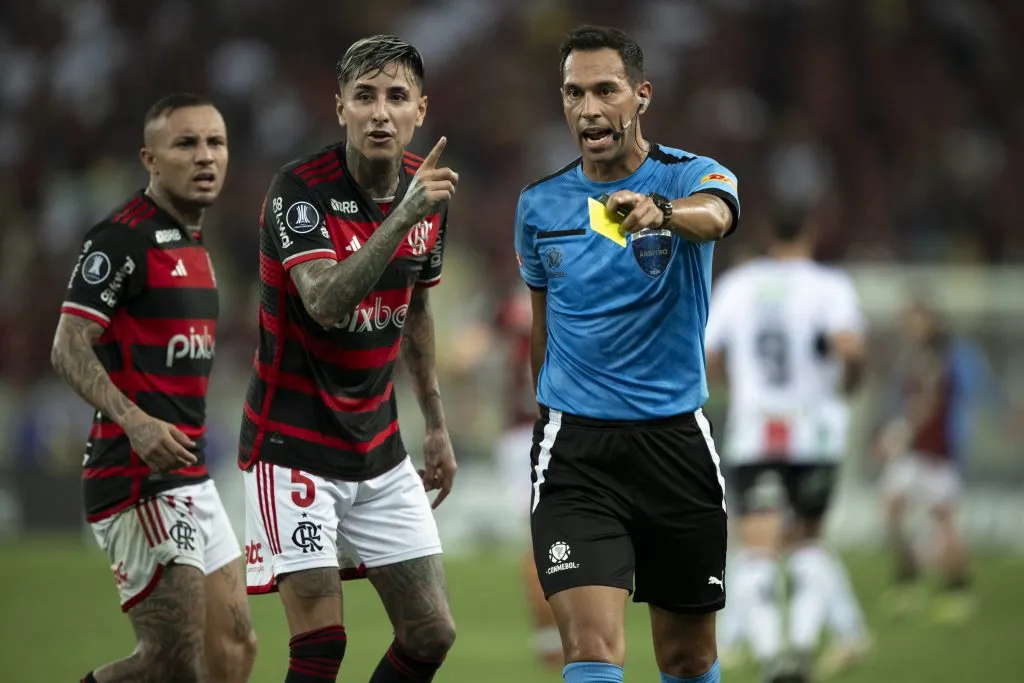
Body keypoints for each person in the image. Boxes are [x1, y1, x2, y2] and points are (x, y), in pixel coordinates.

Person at [515, 25, 739, 683]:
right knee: (590, 646)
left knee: (688, 657)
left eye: (605, 90)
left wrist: (661, 213)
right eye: (573, 93)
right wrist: (546, 414)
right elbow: (541, 328)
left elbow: (717, 216)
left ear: (641, 95)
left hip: (675, 445)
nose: (588, 109)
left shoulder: (690, 175)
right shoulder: (539, 206)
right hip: (577, 453)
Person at [238, 35, 458, 683]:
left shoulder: (425, 194)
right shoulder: (298, 191)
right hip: (292, 444)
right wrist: (404, 215)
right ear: (340, 108)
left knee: (431, 632)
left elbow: (418, 309)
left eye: (396, 97)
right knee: (321, 645)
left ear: (420, 109)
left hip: (378, 447)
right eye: (364, 96)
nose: (380, 112)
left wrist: (436, 423)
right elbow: (326, 302)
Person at [51, 93, 256, 683]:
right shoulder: (121, 239)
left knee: (235, 648)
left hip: (190, 475)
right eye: (186, 143)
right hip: (136, 476)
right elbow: (68, 346)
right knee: (170, 660)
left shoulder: (195, 245)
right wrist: (135, 421)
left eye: (215, 142)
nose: (205, 156)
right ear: (150, 159)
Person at [704, 213, 870, 682]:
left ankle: (772, 658)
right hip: (815, 433)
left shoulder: (739, 285)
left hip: (757, 432)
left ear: (766, 235)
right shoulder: (829, 286)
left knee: (756, 547)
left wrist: (739, 388)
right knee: (807, 543)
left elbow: (710, 354)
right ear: (810, 234)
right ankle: (800, 652)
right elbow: (851, 348)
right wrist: (849, 385)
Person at [876, 298, 999, 623]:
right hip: (913, 452)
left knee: (944, 520)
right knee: (891, 506)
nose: (909, 327)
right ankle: (908, 579)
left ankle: (958, 588)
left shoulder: (946, 354)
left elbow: (930, 401)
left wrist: (899, 432)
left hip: (939, 451)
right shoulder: (910, 356)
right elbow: (901, 397)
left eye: (914, 320)